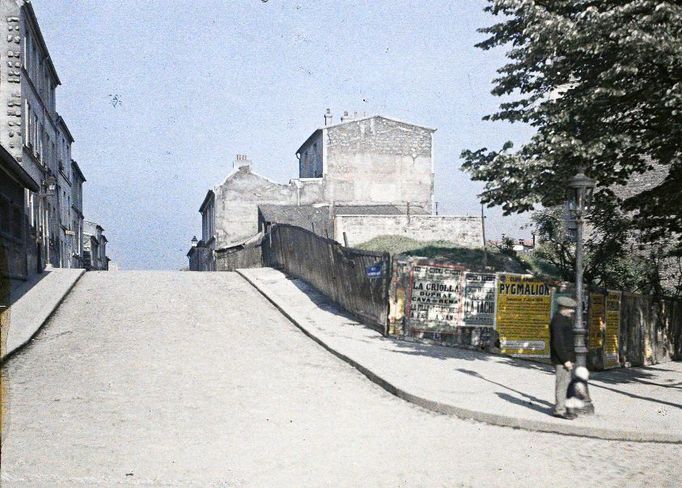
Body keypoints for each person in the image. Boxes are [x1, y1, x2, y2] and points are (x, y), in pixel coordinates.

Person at [550, 296, 577, 419]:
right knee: (562, 385)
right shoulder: (558, 321)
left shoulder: (564, 319)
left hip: (567, 358)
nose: (572, 311)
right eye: (570, 309)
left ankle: (564, 408)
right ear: (563, 308)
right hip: (562, 359)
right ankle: (559, 411)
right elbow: (558, 343)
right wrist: (565, 360)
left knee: (566, 384)